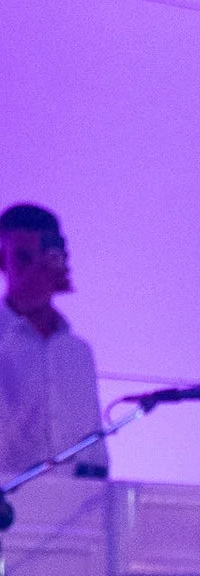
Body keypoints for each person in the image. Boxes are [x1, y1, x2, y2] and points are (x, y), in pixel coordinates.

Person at [0, 204, 106, 483]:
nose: (35, 269)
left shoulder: (77, 352)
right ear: (2, 261)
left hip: (74, 508)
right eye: (23, 258)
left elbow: (92, 440)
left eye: (43, 257)